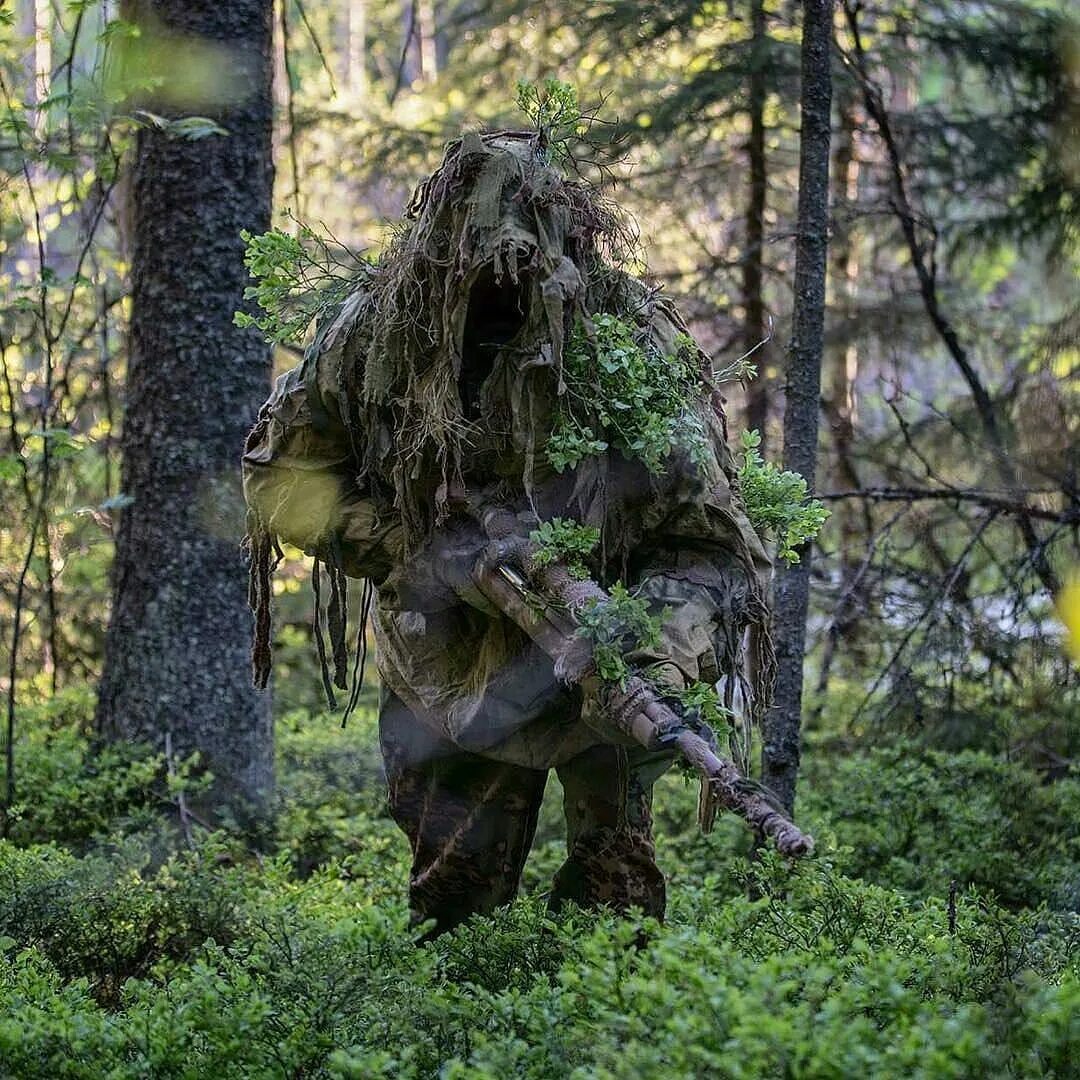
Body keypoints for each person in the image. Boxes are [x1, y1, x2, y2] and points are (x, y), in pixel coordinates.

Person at [242, 130, 772, 936]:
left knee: (616, 910)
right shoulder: (372, 336)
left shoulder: (629, 344)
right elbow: (279, 476)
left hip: (604, 663)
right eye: (471, 268)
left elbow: (707, 540)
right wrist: (413, 552)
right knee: (455, 904)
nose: (496, 289)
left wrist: (650, 649)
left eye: (520, 269)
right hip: (447, 667)